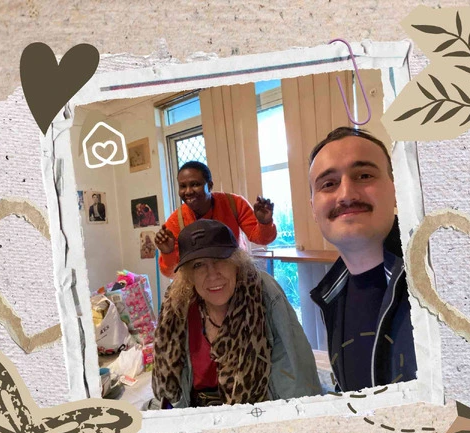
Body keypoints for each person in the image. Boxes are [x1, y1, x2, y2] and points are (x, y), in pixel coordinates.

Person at [152, 219, 322, 408]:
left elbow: (296, 372)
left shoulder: (263, 292)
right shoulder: (178, 306)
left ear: (237, 263)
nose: (212, 274)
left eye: (220, 260)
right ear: (188, 275)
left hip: (257, 412)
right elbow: (168, 391)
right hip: (196, 414)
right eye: (199, 265)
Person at [308, 127, 417, 393]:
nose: (346, 195)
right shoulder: (330, 296)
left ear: (396, 189)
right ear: (313, 208)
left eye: (364, 176)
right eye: (328, 184)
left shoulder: (437, 282)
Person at [154, 161, 277, 277]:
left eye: (195, 184)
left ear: (210, 185)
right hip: (200, 285)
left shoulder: (234, 203)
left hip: (237, 276)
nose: (188, 191)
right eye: (182, 186)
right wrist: (168, 252)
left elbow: (262, 239)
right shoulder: (176, 221)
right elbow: (169, 272)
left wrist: (265, 222)